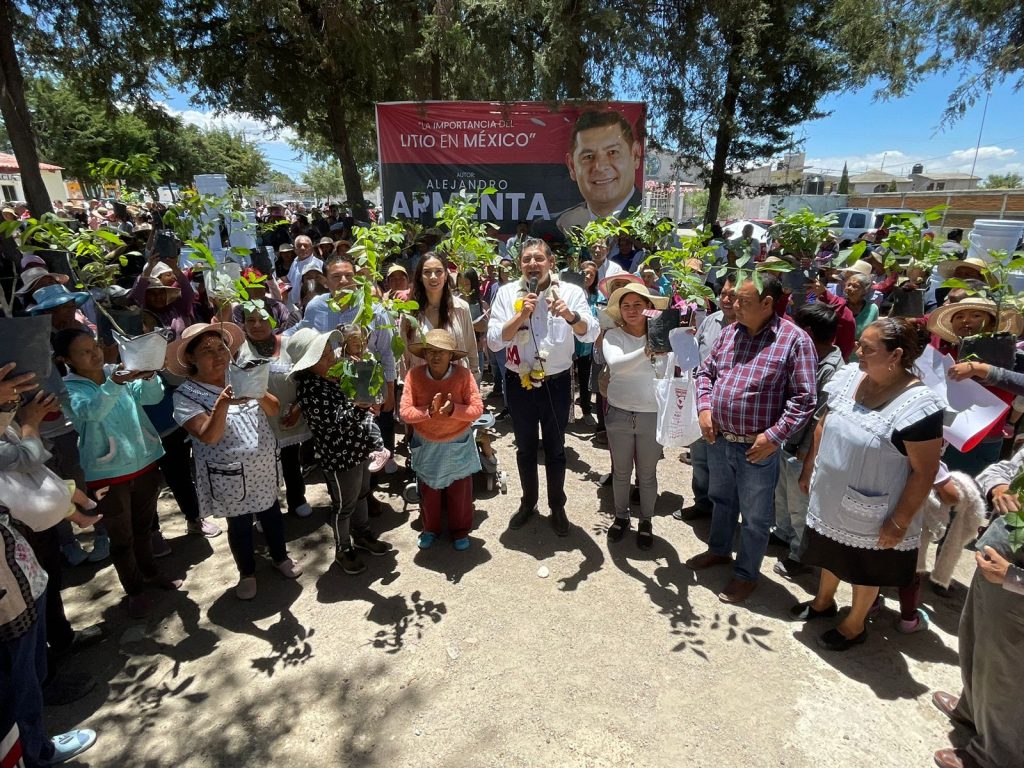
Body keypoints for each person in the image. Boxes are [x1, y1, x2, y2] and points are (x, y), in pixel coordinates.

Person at [793, 318, 945, 650]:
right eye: (859, 344)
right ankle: (823, 602)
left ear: (896, 355)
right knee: (829, 551)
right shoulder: (850, 377)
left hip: (875, 507)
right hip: (831, 494)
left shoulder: (919, 406)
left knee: (865, 567)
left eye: (868, 348)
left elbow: (925, 471)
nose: (857, 351)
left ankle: (854, 624)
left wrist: (899, 521)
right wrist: (810, 466)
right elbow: (824, 423)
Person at [688, 274, 817, 604]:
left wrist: (774, 437)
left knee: (756, 516)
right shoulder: (730, 333)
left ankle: (746, 574)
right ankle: (719, 550)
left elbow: (804, 398)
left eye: (743, 301)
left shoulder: (794, 340)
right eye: (733, 299)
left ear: (767, 303)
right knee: (721, 500)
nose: (733, 305)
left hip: (756, 448)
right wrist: (705, 408)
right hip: (719, 438)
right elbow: (705, 373)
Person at [169, 322, 302, 600]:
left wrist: (256, 390)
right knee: (239, 525)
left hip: (262, 465)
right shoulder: (185, 395)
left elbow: (274, 409)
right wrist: (222, 404)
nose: (218, 355)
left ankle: (280, 557)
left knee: (271, 513)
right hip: (227, 473)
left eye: (221, 348)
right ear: (191, 358)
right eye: (207, 351)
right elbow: (209, 436)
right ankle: (247, 572)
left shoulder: (241, 374)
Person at [55, 328, 181, 619]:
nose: (95, 354)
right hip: (107, 473)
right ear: (67, 360)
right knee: (121, 538)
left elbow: (153, 397)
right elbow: (91, 412)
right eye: (84, 352)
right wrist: (115, 383)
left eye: (95, 346)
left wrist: (148, 375)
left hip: (145, 462)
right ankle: (134, 590)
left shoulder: (116, 372)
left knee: (143, 528)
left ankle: (151, 573)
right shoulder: (69, 389)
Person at [486, 238, 599, 535]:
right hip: (518, 383)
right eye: (526, 259)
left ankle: (557, 506)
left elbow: (590, 333)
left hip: (556, 383)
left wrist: (570, 316)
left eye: (538, 258)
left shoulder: (570, 292)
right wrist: (520, 315)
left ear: (551, 262)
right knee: (524, 448)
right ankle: (528, 502)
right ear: (520, 264)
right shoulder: (507, 293)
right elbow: (494, 341)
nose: (532, 264)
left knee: (555, 448)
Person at [930, 449, 1024, 768]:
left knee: (1007, 673)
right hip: (994, 569)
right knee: (974, 641)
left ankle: (996, 756)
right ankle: (972, 710)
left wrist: (1011, 576)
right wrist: (999, 488)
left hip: (1015, 586)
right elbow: (1001, 469)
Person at [288, 328, 393, 575]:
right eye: (322, 357)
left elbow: (357, 398)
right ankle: (343, 549)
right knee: (344, 505)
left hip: (358, 447)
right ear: (309, 364)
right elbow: (336, 423)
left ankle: (363, 534)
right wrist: (359, 406)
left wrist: (363, 381)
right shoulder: (310, 389)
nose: (331, 358)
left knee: (362, 493)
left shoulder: (335, 376)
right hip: (339, 456)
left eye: (329, 352)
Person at [772, 303, 844, 578]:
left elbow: (819, 418)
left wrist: (805, 456)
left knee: (801, 506)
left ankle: (800, 555)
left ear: (809, 332)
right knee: (783, 497)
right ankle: (782, 533)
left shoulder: (833, 370)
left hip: (802, 450)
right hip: (788, 441)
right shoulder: (808, 356)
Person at [400, 329, 484, 550]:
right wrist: (428, 411)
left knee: (460, 490)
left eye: (442, 351)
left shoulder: (463, 375)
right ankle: (430, 529)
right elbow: (405, 412)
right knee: (429, 491)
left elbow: (477, 409)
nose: (436, 356)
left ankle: (460, 531)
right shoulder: (414, 376)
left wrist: (453, 409)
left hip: (457, 440)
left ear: (451, 355)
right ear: (424, 354)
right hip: (427, 442)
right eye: (431, 351)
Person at [602, 283, 669, 549]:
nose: (631, 310)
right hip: (619, 412)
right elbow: (616, 366)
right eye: (626, 306)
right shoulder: (613, 336)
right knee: (621, 472)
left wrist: (685, 340)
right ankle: (621, 516)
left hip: (651, 414)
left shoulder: (664, 336)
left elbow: (675, 369)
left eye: (638, 305)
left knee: (647, 473)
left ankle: (646, 521)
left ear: (649, 308)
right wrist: (646, 351)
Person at [926, 297, 1024, 476]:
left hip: (982, 440)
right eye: (959, 317)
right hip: (940, 435)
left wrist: (981, 370)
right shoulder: (946, 353)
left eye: (976, 315)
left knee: (966, 488)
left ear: (992, 323)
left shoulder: (1010, 357)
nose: (966, 320)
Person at [237, 307, 312, 518]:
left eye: (262, 319)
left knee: (290, 461)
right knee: (261, 467)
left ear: (272, 321)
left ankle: (297, 498)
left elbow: (309, 379)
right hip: (255, 422)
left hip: (288, 419)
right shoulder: (238, 351)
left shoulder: (290, 345)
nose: (257, 325)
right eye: (250, 320)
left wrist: (298, 408)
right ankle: (265, 510)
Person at [674, 276, 737, 523]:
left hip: (728, 409)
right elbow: (693, 355)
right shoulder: (711, 320)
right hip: (700, 403)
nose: (726, 299)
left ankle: (722, 516)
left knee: (723, 467)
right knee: (699, 459)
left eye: (732, 295)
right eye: (723, 294)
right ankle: (702, 503)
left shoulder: (751, 327)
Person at [554, 110, 643, 234]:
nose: (600, 166)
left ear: (635, 155)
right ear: (572, 166)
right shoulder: (553, 227)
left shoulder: (653, 225)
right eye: (588, 156)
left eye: (613, 152)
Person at [404, 253, 479, 379]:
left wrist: (474, 378)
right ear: (420, 277)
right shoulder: (409, 313)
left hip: (457, 383)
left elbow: (471, 349)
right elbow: (404, 357)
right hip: (421, 384)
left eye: (438, 271)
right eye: (427, 272)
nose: (433, 277)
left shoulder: (461, 308)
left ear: (445, 276)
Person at [575, 260, 599, 425]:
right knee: (568, 380)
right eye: (585, 273)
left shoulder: (597, 296)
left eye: (592, 274)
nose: (588, 276)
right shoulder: (570, 292)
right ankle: (567, 412)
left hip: (588, 345)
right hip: (570, 344)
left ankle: (586, 410)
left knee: (585, 379)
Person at [842, 272, 878, 362]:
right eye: (848, 285)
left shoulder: (872, 309)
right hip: (840, 354)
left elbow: (873, 334)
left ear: (865, 291)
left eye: (855, 286)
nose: (849, 288)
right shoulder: (839, 306)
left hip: (860, 356)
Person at [285, 235, 321, 307]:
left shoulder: (316, 264)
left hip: (306, 305)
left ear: (311, 248)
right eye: (299, 246)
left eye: (306, 246)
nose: (302, 248)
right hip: (293, 305)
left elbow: (312, 289)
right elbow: (289, 279)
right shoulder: (295, 261)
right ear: (294, 249)